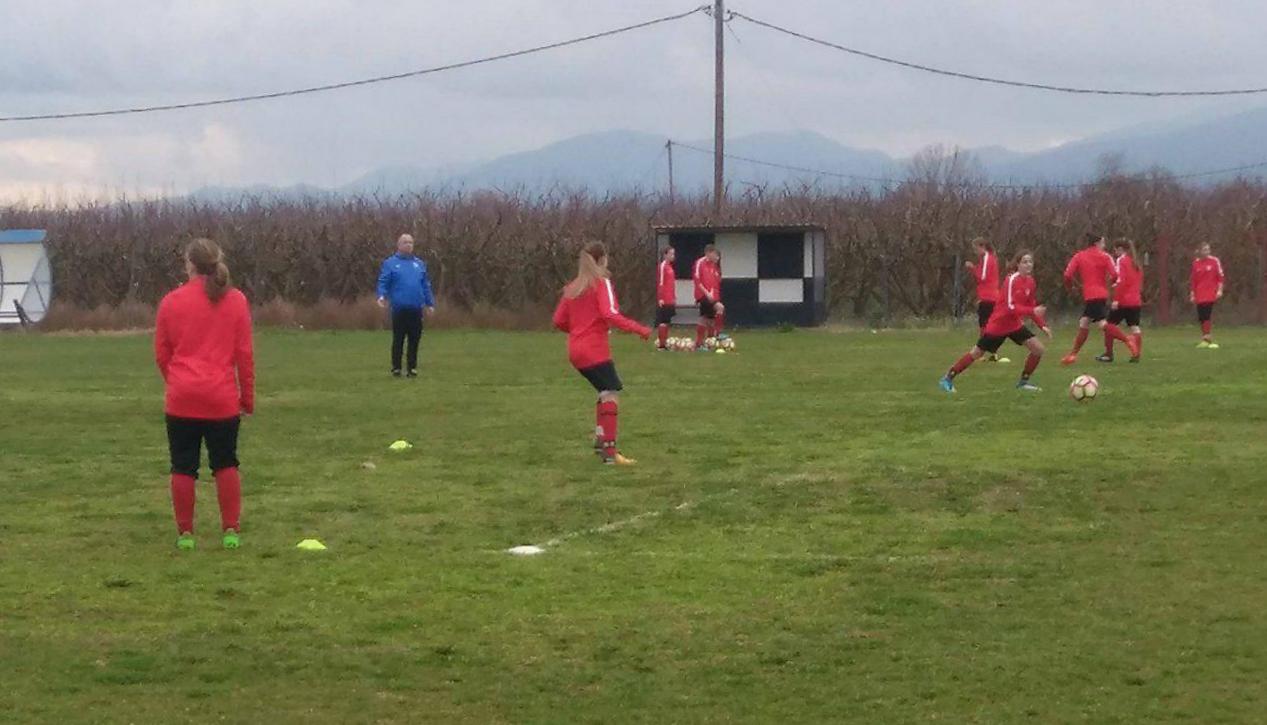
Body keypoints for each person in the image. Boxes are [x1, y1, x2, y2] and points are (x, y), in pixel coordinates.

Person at [154, 238, 254, 551]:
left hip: (182, 397)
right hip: (221, 398)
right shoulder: (236, 301)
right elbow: (244, 354)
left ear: (190, 264)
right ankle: (230, 530)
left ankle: (185, 533)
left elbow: (162, 353)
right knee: (226, 463)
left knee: (183, 466)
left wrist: (177, 381)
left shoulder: (171, 302)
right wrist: (247, 397)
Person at [552, 241, 651, 465]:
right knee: (611, 393)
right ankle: (610, 452)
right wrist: (639, 329)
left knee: (603, 390)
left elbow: (558, 320)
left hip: (575, 350)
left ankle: (600, 441)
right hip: (594, 349)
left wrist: (578, 330)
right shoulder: (601, 283)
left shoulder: (572, 287)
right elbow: (610, 314)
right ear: (603, 259)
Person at [941, 251, 1051, 393]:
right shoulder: (1011, 280)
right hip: (999, 325)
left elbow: (1031, 306)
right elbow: (1011, 307)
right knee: (977, 353)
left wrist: (1042, 325)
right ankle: (947, 379)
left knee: (1038, 349)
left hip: (1014, 325)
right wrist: (1032, 311)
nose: (1028, 264)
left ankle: (1023, 383)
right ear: (1017, 264)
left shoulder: (1030, 282)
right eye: (1025, 262)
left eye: (1030, 261)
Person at [1060, 233, 1139, 365]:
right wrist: (1106, 284)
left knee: (1102, 324)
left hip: (1091, 295)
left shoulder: (1079, 256)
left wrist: (1070, 287)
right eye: (1103, 243)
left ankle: (1127, 340)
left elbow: (1067, 275)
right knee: (1084, 322)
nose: (1104, 245)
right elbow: (1115, 275)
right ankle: (1073, 355)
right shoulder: (1105, 256)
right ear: (1096, 243)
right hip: (1101, 294)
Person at [377, 234, 435, 378]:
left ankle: (412, 368)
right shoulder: (390, 263)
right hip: (399, 308)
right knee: (398, 339)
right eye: (405, 242)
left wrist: (429, 303)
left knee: (414, 339)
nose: (408, 245)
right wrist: (381, 295)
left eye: (410, 242)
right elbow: (383, 281)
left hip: (416, 308)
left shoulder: (419, 264)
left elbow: (425, 285)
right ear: (399, 245)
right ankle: (396, 367)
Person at [1099, 238, 1144, 363]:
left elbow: (1121, 281)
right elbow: (1138, 281)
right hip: (1135, 300)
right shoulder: (1136, 262)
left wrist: (1116, 299)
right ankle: (1136, 354)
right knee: (1134, 327)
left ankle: (1109, 353)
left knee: (1109, 325)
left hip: (1124, 299)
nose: (1115, 253)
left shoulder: (1121, 260)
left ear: (1120, 249)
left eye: (1115, 250)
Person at [964, 236, 1007, 362]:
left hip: (988, 297)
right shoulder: (988, 259)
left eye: (976, 249)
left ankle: (981, 353)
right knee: (991, 326)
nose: (975, 252)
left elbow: (982, 277)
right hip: (989, 296)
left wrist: (972, 267)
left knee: (984, 326)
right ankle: (993, 352)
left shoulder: (987, 258)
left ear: (982, 247)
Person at [1190, 242, 1225, 349]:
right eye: (1205, 249)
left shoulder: (1214, 261)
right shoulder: (1196, 263)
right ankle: (1205, 338)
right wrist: (1192, 293)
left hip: (1210, 293)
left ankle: (1207, 339)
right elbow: (1193, 280)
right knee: (1201, 316)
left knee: (1206, 314)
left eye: (1208, 249)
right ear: (1200, 251)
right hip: (1199, 293)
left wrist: (1219, 290)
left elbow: (1220, 277)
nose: (1207, 251)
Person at [692, 244, 724, 349]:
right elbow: (697, 280)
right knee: (719, 308)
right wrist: (706, 293)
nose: (716, 257)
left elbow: (715, 283)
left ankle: (704, 341)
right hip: (703, 294)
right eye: (714, 254)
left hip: (711, 296)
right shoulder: (700, 262)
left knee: (708, 318)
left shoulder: (713, 265)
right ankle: (716, 334)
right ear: (708, 253)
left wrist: (715, 296)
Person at [655, 246, 677, 350]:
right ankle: (661, 345)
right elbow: (661, 282)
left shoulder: (670, 267)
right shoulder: (663, 266)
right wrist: (660, 298)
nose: (673, 256)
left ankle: (665, 342)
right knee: (663, 321)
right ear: (665, 255)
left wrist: (674, 297)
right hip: (664, 298)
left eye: (673, 254)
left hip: (670, 298)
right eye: (671, 254)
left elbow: (671, 284)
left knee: (667, 321)